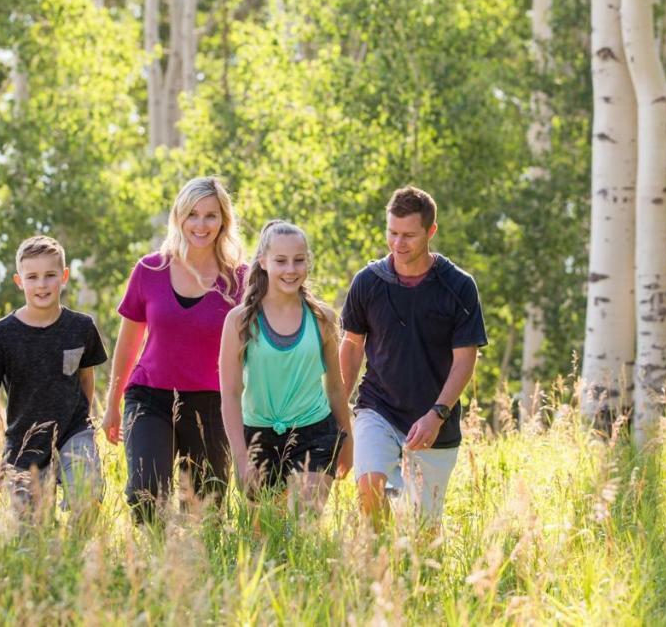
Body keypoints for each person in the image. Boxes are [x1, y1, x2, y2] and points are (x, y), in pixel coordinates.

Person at [339, 186, 487, 525]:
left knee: (423, 531)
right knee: (369, 488)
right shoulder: (368, 282)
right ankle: (374, 565)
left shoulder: (458, 286)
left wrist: (437, 414)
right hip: (378, 408)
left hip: (435, 422)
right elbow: (352, 345)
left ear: (431, 231)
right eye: (392, 232)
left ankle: (407, 569)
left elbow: (465, 359)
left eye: (408, 235)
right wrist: (337, 411)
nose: (397, 243)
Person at [101, 177, 247, 521]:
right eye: (192, 214)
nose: (200, 224)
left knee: (205, 511)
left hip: (212, 404)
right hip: (150, 397)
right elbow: (128, 345)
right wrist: (112, 405)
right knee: (146, 494)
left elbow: (251, 350)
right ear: (179, 217)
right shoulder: (150, 269)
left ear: (223, 220)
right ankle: (153, 568)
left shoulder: (240, 279)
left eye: (210, 215)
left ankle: (194, 573)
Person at [0, 235, 108, 521]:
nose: (42, 285)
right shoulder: (1, 335)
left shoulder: (81, 327)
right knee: (31, 535)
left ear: (64, 276)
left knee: (88, 494)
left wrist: (86, 421)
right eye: (32, 277)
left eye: (50, 275)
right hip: (24, 445)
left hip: (74, 432)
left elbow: (86, 378)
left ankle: (81, 556)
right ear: (19, 281)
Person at [219, 221, 353, 510]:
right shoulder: (239, 321)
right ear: (263, 262)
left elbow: (336, 388)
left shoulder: (323, 319)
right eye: (281, 261)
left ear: (308, 262)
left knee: (303, 528)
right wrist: (241, 459)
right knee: (264, 540)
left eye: (299, 260)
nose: (291, 269)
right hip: (258, 436)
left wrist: (348, 440)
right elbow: (230, 394)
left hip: (314, 432)